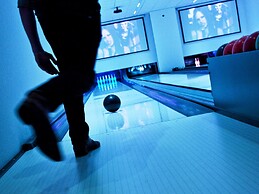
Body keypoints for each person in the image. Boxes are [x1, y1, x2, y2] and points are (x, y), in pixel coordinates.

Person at [17, 0, 102, 161]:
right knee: (83, 77)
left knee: (70, 75)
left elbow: (24, 6)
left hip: (48, 14)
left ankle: (80, 141)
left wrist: (37, 49)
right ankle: (41, 98)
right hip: (83, 9)